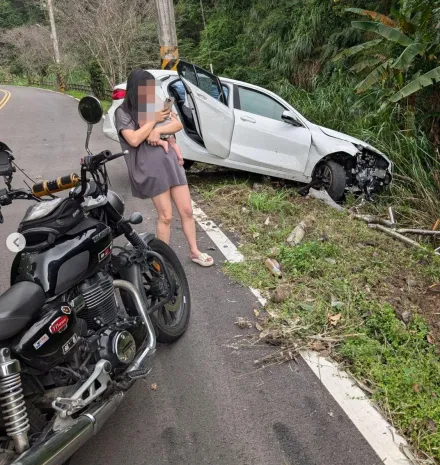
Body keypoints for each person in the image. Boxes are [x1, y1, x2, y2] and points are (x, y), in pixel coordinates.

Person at [114, 69, 214, 267]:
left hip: (171, 162)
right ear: (136, 89)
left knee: (186, 210)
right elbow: (133, 140)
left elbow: (176, 125)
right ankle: (161, 261)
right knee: (166, 216)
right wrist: (154, 121)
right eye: (146, 88)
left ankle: (194, 251)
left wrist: (158, 129)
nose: (151, 92)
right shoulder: (122, 112)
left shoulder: (155, 103)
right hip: (149, 167)